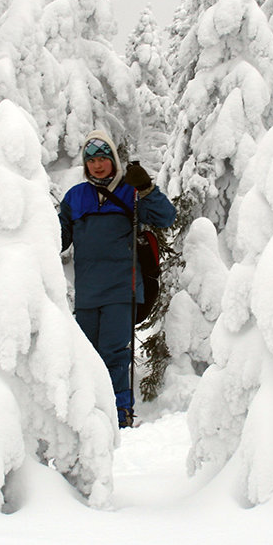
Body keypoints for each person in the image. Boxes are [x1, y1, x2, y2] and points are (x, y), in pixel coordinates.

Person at [59, 130, 176, 428]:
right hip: (87, 292)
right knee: (86, 355)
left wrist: (147, 189)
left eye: (103, 159)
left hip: (122, 289)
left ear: (113, 160)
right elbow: (57, 239)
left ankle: (120, 413)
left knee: (114, 353)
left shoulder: (130, 191)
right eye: (92, 160)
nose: (98, 165)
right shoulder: (75, 197)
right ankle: (90, 413)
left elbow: (165, 217)